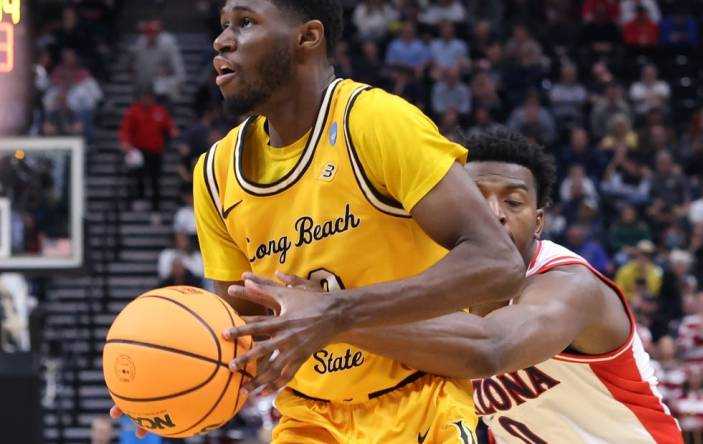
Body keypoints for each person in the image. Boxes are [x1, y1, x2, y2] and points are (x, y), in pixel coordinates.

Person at [113, 0, 525, 441]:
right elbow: (247, 338)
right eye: (224, 25)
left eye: (246, 22)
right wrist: (166, 379)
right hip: (310, 419)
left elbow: (498, 263)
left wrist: (337, 310)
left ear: (308, 37)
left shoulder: (373, 122)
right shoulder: (214, 174)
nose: (222, 40)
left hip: (422, 402)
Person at [280, 129, 682, 442]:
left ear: (538, 220)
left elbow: (492, 348)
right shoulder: (439, 291)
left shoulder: (569, 286)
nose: (495, 214)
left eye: (513, 202)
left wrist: (330, 315)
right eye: (477, 197)